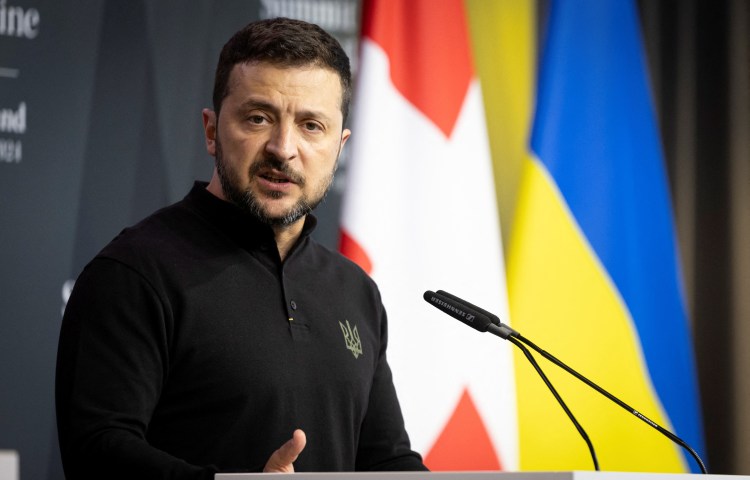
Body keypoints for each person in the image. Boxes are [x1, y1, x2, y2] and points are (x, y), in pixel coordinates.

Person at [55, 17, 427, 479]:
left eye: (312, 126)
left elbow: (385, 460)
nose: (283, 148)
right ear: (212, 131)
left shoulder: (355, 291)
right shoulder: (134, 274)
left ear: (339, 147)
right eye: (258, 118)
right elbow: (98, 452)